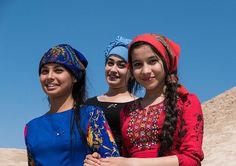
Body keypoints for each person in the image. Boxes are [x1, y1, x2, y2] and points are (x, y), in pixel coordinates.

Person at [84, 33, 204, 166]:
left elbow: (192, 159)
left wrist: (132, 163)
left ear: (166, 62)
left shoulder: (186, 102)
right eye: (138, 64)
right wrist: (99, 160)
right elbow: (123, 157)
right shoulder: (127, 111)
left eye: (152, 61)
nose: (145, 70)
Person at [24, 44, 119, 166]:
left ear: (74, 77)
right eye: (44, 71)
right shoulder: (31, 128)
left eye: (58, 70)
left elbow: (113, 161)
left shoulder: (91, 115)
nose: (49, 77)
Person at [85, 36, 138, 153]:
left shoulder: (141, 105)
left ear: (132, 73)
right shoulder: (88, 104)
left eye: (121, 65)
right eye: (110, 63)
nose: (113, 69)